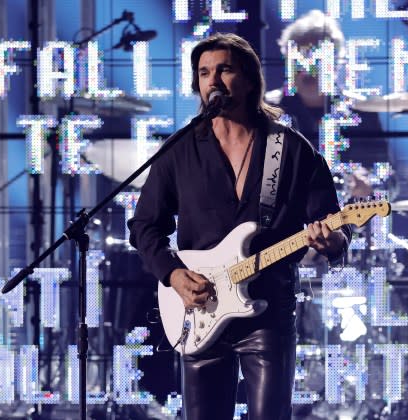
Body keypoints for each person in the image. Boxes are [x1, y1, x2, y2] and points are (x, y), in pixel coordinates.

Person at [128, 33, 350, 420]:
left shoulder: (290, 148)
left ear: (249, 80)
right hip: (199, 308)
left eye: (224, 70)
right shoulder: (180, 150)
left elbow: (333, 224)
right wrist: (173, 274)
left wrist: (331, 241)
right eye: (203, 73)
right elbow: (145, 225)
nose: (212, 80)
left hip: (268, 311)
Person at [267, 9, 390, 197]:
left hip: (346, 222)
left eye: (317, 60)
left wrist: (369, 181)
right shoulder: (265, 110)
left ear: (335, 63)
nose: (308, 69)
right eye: (300, 59)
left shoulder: (362, 112)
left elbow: (390, 179)